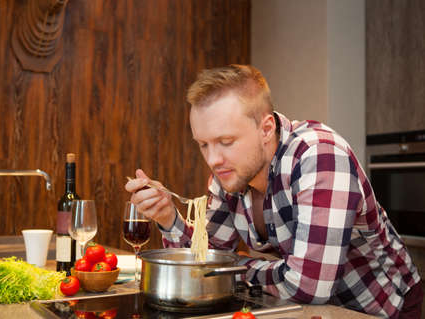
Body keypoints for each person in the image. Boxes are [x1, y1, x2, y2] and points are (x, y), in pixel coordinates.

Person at [125, 65, 422, 318]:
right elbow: (201, 264)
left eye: (226, 141)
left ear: (266, 129)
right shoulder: (230, 175)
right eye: (203, 144)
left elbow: (308, 285)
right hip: (309, 310)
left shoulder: (319, 157)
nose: (213, 159)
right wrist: (167, 217)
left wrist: (232, 265)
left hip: (380, 309)